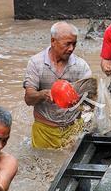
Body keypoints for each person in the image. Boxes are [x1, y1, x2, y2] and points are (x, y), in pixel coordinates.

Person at [24, 21, 94, 149]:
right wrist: (42, 94)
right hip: (44, 130)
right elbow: (28, 99)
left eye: (74, 44)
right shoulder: (36, 63)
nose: (71, 48)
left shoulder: (81, 66)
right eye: (67, 44)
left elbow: (92, 98)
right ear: (53, 41)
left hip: (73, 128)